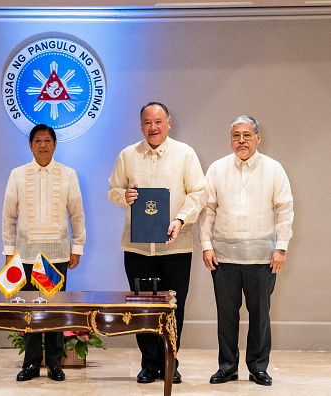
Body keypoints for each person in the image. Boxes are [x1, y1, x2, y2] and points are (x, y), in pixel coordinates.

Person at [108, 102, 206, 384]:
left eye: (158, 121)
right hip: (137, 246)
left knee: (174, 306)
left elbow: (198, 193)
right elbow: (113, 189)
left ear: (169, 122)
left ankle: (170, 362)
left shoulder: (185, 154)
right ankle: (149, 364)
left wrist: (181, 219)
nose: (153, 127)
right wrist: (122, 196)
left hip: (175, 246)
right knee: (142, 306)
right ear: (141, 126)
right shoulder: (128, 155)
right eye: (147, 122)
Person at [199, 116, 293, 386]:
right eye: (236, 135)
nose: (241, 140)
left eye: (247, 135)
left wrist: (281, 248)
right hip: (223, 257)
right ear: (230, 139)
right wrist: (206, 245)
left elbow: (285, 211)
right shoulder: (216, 169)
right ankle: (227, 367)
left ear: (258, 138)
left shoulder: (274, 169)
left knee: (260, 316)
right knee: (226, 316)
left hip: (263, 257)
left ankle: (258, 367)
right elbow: (208, 210)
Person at [2, 124, 86, 382]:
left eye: (47, 140)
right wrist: (9, 252)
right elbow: (8, 216)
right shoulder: (18, 174)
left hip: (55, 254)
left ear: (55, 144)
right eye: (37, 140)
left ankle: (54, 363)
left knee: (52, 311)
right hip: (26, 254)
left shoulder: (68, 174)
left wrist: (77, 247)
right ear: (30, 145)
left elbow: (77, 213)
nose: (42, 145)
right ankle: (30, 363)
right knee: (30, 312)